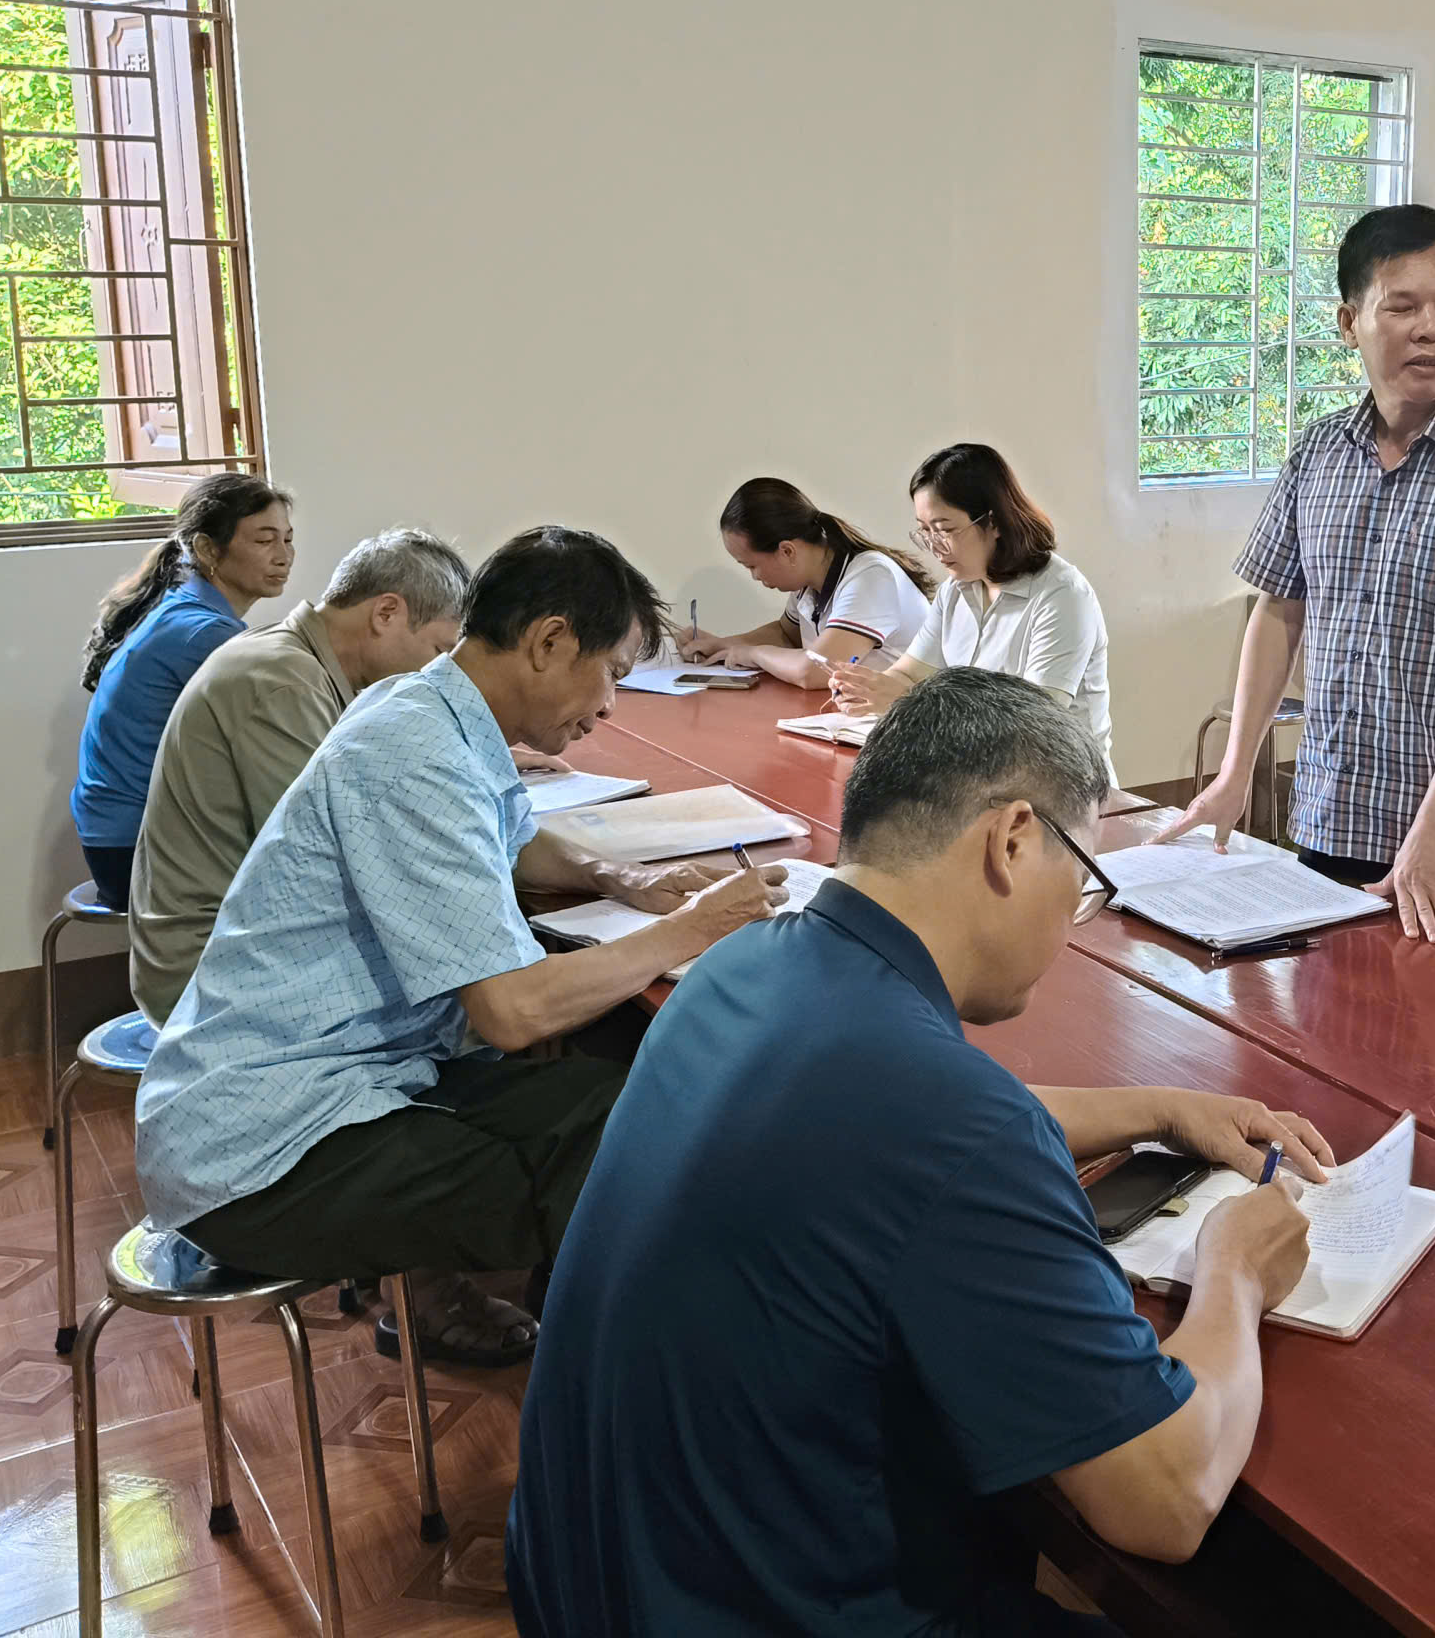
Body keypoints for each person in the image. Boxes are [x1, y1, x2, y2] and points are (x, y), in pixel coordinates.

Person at [508, 669, 1328, 1636]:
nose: (1072, 925)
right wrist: (1233, 1270)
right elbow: (1165, 1500)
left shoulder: (739, 967)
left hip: (584, 1583)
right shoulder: (951, 1124)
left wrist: (1157, 1110)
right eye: (1081, 884)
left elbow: (897, 1131)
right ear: (1012, 840)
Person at [134, 527, 784, 1363]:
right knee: (637, 1153)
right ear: (550, 642)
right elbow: (511, 1012)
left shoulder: (431, 709)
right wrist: (692, 928)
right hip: (265, 1151)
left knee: (629, 1099)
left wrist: (619, 877)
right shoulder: (415, 751)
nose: (610, 706)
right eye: (612, 673)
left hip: (344, 1085)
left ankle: (591, 1345)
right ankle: (610, 1379)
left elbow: (509, 841)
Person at [1168, 204, 1435, 944]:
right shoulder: (1318, 452)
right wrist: (1234, 775)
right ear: (1349, 322)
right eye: (1403, 306)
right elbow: (1278, 612)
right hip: (1328, 820)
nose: (1432, 328)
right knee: (1317, 1012)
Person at [128, 528, 472, 1023]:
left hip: (245, 937)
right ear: (386, 613)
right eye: (440, 649)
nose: (437, 672)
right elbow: (331, 855)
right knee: (471, 1003)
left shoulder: (301, 662)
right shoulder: (282, 683)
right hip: (211, 969)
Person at [72, 473, 294, 908]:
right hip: (134, 853)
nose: (283, 556)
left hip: (112, 842)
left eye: (288, 539)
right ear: (207, 549)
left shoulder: (184, 610)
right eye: (264, 541)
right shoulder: (203, 634)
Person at [831, 443, 1113, 772]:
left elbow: (1035, 725)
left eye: (945, 530)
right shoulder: (956, 590)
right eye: (925, 531)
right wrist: (866, 688)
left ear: (994, 522)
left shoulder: (1061, 595)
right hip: (977, 774)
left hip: (1060, 780)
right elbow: (909, 673)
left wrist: (908, 702)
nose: (934, 547)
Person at [680, 476, 933, 687]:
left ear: (787, 551)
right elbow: (785, 634)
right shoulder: (809, 583)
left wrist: (753, 653)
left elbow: (815, 671)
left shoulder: (871, 578)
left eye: (752, 565)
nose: (755, 577)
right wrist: (722, 645)